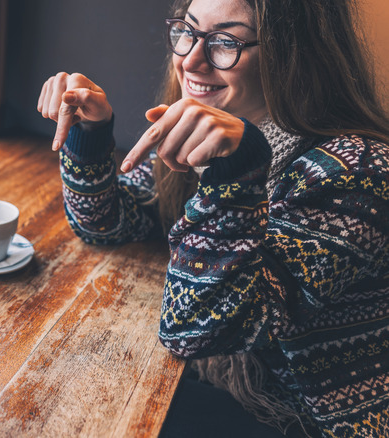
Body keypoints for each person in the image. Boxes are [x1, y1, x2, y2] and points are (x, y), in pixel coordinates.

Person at [37, 0, 389, 436]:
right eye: (187, 31)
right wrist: (90, 132)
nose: (191, 59)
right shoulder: (206, 130)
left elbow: (198, 327)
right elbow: (105, 225)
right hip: (226, 381)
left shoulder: (357, 170)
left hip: (304, 415)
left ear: (295, 53)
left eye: (226, 42)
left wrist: (233, 174)